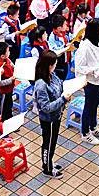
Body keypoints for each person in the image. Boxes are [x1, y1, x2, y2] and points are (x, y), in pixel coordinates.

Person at [34, 50, 73, 178]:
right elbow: (46, 107)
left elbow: (60, 85)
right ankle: (47, 169)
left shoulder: (52, 75)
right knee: (48, 143)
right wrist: (63, 99)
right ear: (48, 65)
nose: (56, 66)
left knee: (53, 141)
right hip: (48, 119)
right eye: (54, 64)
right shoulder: (41, 85)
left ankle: (49, 162)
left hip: (56, 116)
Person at [73, 19, 99, 144]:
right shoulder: (84, 47)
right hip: (90, 81)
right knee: (89, 107)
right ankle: (85, 132)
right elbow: (80, 67)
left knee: (95, 105)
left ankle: (94, 127)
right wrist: (96, 68)